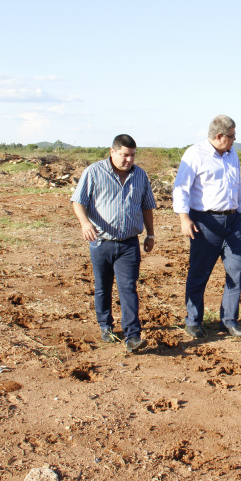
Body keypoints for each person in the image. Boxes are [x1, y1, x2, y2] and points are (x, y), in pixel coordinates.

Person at [71, 134, 156, 353]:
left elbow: (147, 206)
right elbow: (78, 202)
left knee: (128, 288)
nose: (129, 160)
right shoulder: (93, 172)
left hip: (129, 243)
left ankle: (133, 335)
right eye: (124, 155)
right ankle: (105, 325)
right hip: (101, 242)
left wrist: (150, 234)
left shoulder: (140, 176)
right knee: (103, 287)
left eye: (132, 155)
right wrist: (84, 223)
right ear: (113, 152)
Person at [172, 115, 241, 339]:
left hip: (232, 221)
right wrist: (184, 219)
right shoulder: (195, 154)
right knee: (199, 273)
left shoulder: (232, 153)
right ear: (219, 136)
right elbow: (181, 189)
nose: (234, 140)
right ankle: (194, 321)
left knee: (238, 268)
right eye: (232, 136)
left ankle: (229, 320)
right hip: (205, 222)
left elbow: (238, 184)